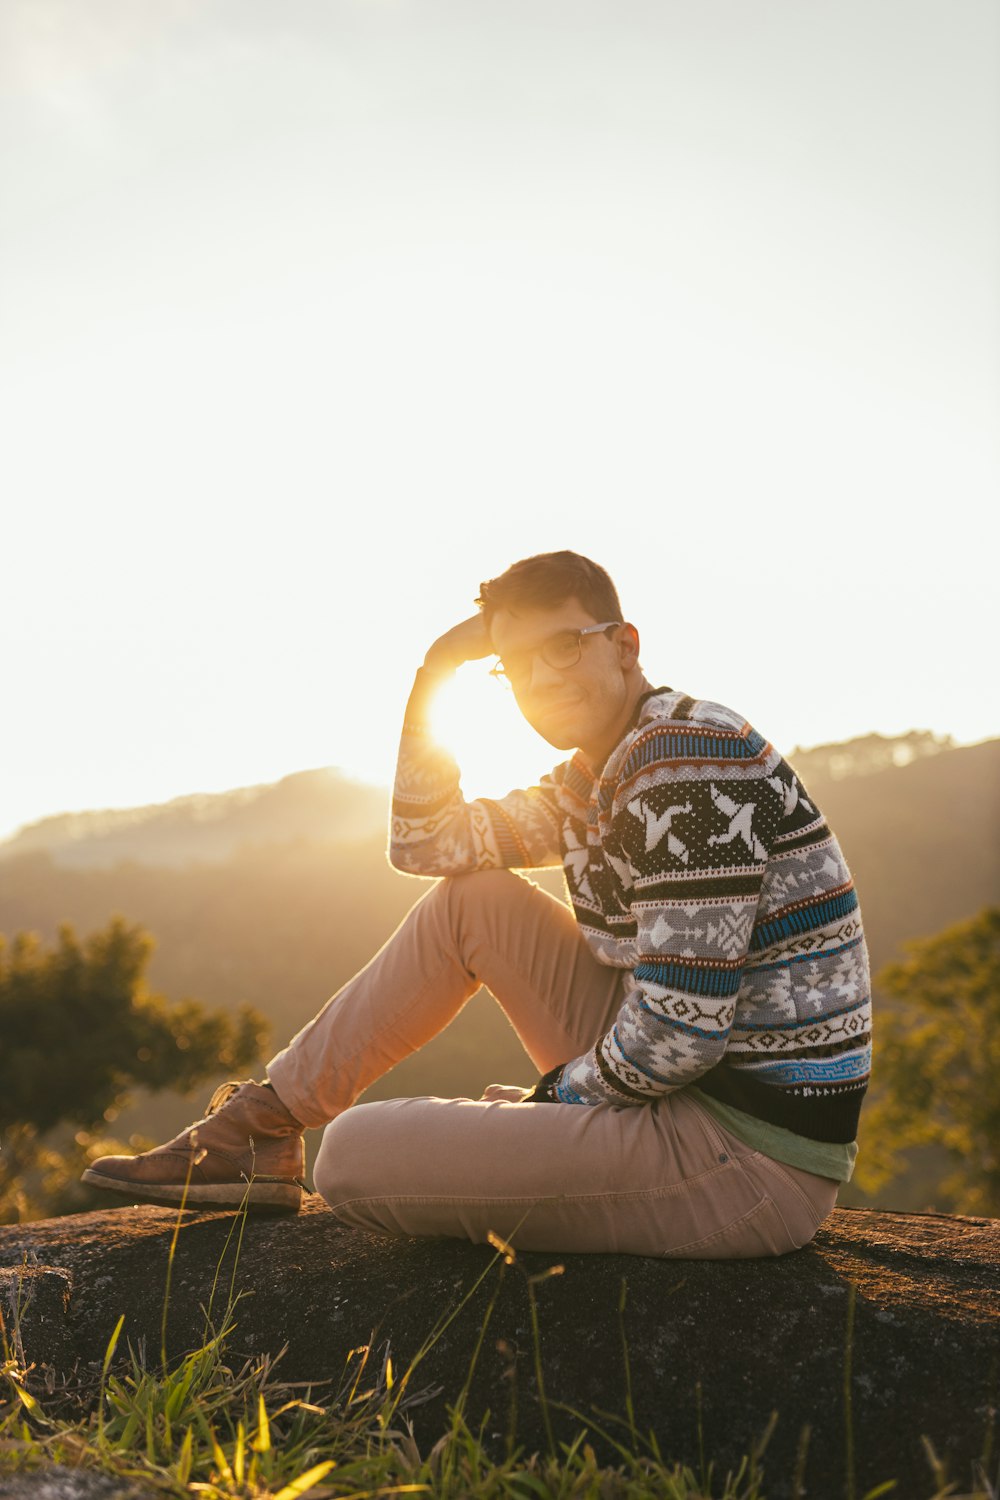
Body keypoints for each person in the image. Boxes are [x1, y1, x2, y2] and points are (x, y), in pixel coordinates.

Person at [84, 551, 872, 1258]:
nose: (541, 678)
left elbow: (678, 1034)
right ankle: (259, 1127)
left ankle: (275, 1134)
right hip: (689, 1094)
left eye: (564, 645)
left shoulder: (682, 759)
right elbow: (427, 844)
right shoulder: (597, 775)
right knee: (477, 901)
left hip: (743, 1155)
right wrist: (437, 671)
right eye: (514, 663)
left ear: (625, 645)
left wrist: (549, 1100)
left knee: (353, 1158)